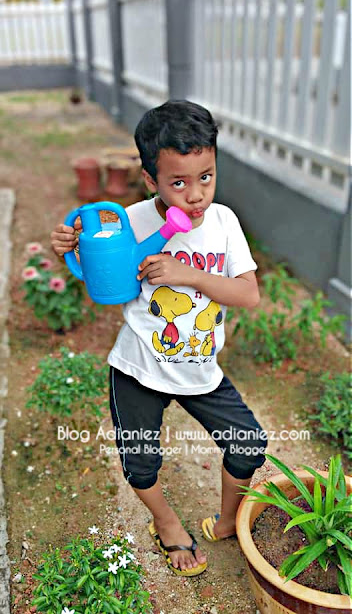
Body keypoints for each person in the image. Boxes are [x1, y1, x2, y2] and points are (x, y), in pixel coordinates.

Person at [51, 99, 268, 577]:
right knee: (141, 463)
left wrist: (188, 275)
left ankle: (230, 520)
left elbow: (248, 294)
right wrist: (76, 252)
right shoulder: (128, 223)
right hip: (139, 368)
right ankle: (167, 524)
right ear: (150, 180)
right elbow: (108, 287)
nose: (195, 196)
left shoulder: (224, 222)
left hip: (200, 368)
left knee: (248, 443)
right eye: (178, 182)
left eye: (206, 176)